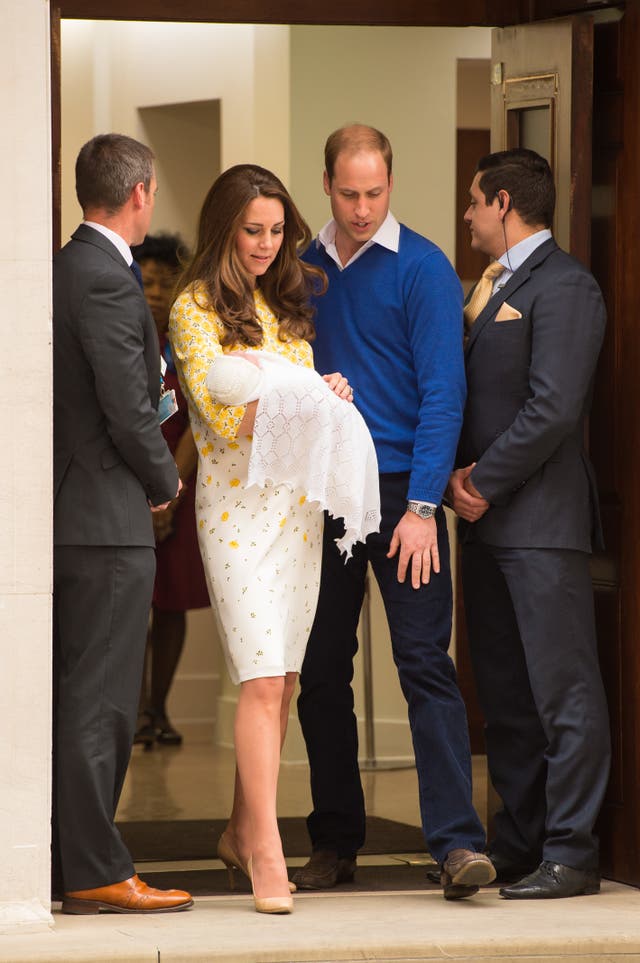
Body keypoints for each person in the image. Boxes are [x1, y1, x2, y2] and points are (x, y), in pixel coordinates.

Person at [293, 123, 495, 901]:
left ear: (390, 184)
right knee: (319, 673)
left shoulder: (425, 268)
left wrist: (420, 506)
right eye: (349, 193)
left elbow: (446, 392)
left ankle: (455, 844)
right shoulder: (301, 267)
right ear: (327, 184)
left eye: (376, 192)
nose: (363, 207)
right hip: (324, 493)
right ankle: (334, 842)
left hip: (403, 491)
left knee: (425, 666)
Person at [169, 163, 361, 915]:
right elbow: (224, 422)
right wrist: (304, 397)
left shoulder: (284, 305)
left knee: (284, 680)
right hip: (234, 515)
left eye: (277, 231)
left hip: (295, 514)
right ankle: (266, 849)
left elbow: (292, 415)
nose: (266, 244)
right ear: (224, 227)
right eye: (253, 230)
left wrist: (323, 392)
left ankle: (239, 828)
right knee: (257, 677)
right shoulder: (191, 307)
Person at [448, 147, 611, 899]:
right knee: (506, 697)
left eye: (477, 201)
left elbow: (553, 408)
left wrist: (482, 479)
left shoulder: (567, 287)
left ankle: (572, 850)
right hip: (484, 529)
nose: (471, 213)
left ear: (505, 202)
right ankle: (517, 840)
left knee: (562, 694)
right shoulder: (486, 287)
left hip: (541, 526)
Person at [52, 133, 193, 915]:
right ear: (138, 193)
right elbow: (126, 406)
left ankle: (70, 858)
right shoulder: (106, 278)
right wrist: (165, 478)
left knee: (82, 695)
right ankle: (96, 869)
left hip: (78, 513)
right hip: (104, 520)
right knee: (100, 704)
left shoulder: (66, 265)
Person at [131, 233, 210, 749]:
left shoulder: (185, 339)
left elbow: (197, 423)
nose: (156, 291)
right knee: (136, 604)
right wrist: (148, 490)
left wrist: (172, 493)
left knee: (173, 601)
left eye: (166, 281)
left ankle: (160, 708)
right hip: (131, 487)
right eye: (148, 281)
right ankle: (136, 712)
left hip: (181, 488)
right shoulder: (127, 334)